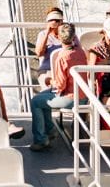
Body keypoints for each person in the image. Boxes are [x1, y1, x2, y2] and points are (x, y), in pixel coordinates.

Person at [30, 22, 88, 151]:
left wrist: (49, 80)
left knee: (35, 102)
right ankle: (50, 130)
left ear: (59, 38)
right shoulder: (80, 52)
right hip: (83, 95)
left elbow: (60, 86)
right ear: (73, 37)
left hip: (71, 98)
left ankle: (41, 140)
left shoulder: (62, 57)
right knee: (42, 97)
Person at [33, 8, 64, 86]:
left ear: (61, 21)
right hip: (48, 69)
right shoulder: (43, 34)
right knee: (48, 82)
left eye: (57, 20)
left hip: (64, 69)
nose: (54, 22)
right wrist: (47, 33)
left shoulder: (67, 34)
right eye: (51, 20)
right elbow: (39, 53)